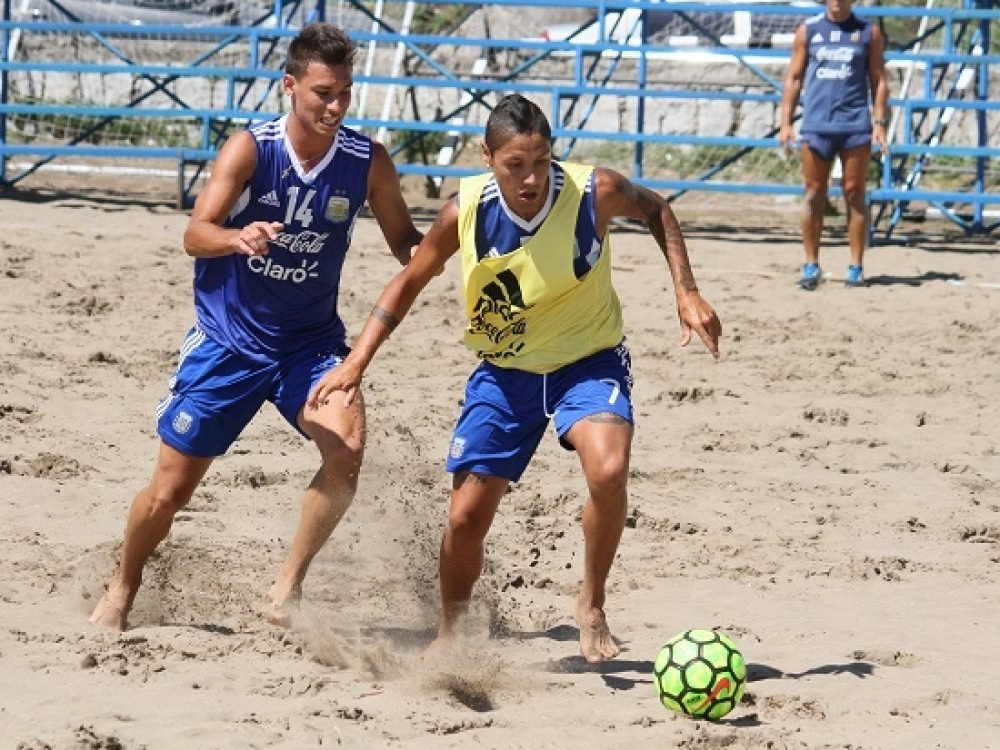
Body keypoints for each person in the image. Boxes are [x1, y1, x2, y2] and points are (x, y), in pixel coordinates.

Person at [308, 94, 722, 663]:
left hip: (588, 360)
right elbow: (407, 283)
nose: (531, 178)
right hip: (504, 374)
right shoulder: (464, 212)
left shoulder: (593, 191)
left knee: (608, 470)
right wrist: (356, 361)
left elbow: (657, 210)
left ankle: (592, 600)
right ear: (487, 157)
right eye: (515, 165)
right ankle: (451, 635)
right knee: (464, 519)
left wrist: (687, 291)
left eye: (541, 161)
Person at [89, 22, 423, 631]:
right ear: (290, 86)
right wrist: (236, 237)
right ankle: (122, 585)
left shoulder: (367, 161)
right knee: (169, 493)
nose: (336, 106)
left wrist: (447, 250)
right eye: (323, 93)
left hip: (309, 347)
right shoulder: (251, 149)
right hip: (229, 343)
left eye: (345, 93)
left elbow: (405, 239)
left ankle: (287, 589)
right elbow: (195, 234)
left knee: (347, 449)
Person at [779, 0, 889, 290]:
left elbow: (878, 79)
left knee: (854, 193)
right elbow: (794, 77)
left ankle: (856, 266)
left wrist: (879, 123)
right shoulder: (809, 30)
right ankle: (811, 264)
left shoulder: (867, 32)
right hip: (817, 125)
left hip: (855, 125)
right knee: (814, 193)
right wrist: (786, 122)